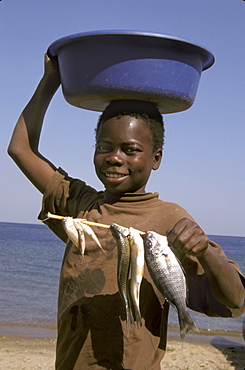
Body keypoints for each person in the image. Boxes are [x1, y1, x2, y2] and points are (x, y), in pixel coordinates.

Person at [8, 54, 245, 370]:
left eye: (131, 150)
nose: (114, 158)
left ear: (155, 158)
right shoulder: (80, 205)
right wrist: (51, 80)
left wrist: (206, 253)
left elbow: (237, 300)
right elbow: (20, 149)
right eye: (104, 147)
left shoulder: (171, 219)